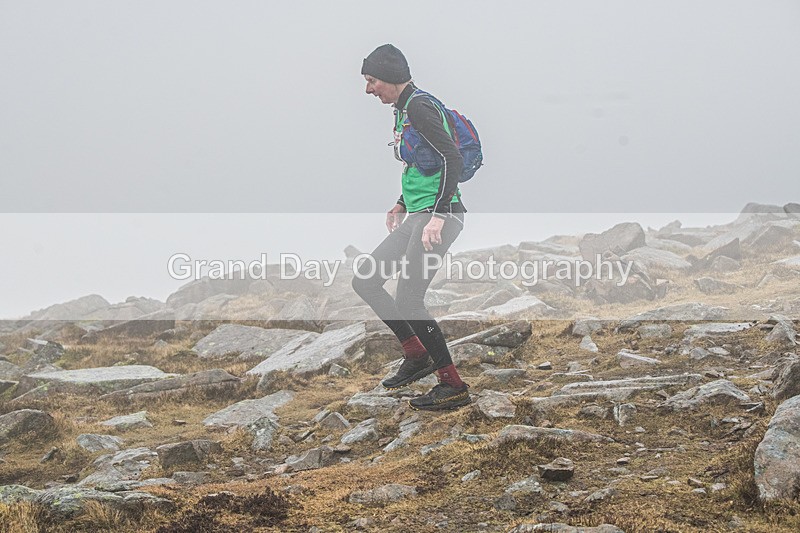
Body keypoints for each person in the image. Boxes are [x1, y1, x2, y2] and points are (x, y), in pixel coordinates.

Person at [352, 44, 470, 411]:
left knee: (409, 299)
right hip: (419, 213)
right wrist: (402, 202)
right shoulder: (405, 108)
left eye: (372, 81)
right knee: (366, 279)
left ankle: (452, 385)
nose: (369, 89)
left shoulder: (418, 106)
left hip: (439, 217)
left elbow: (451, 155)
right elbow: (425, 162)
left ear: (389, 77)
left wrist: (438, 213)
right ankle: (415, 355)